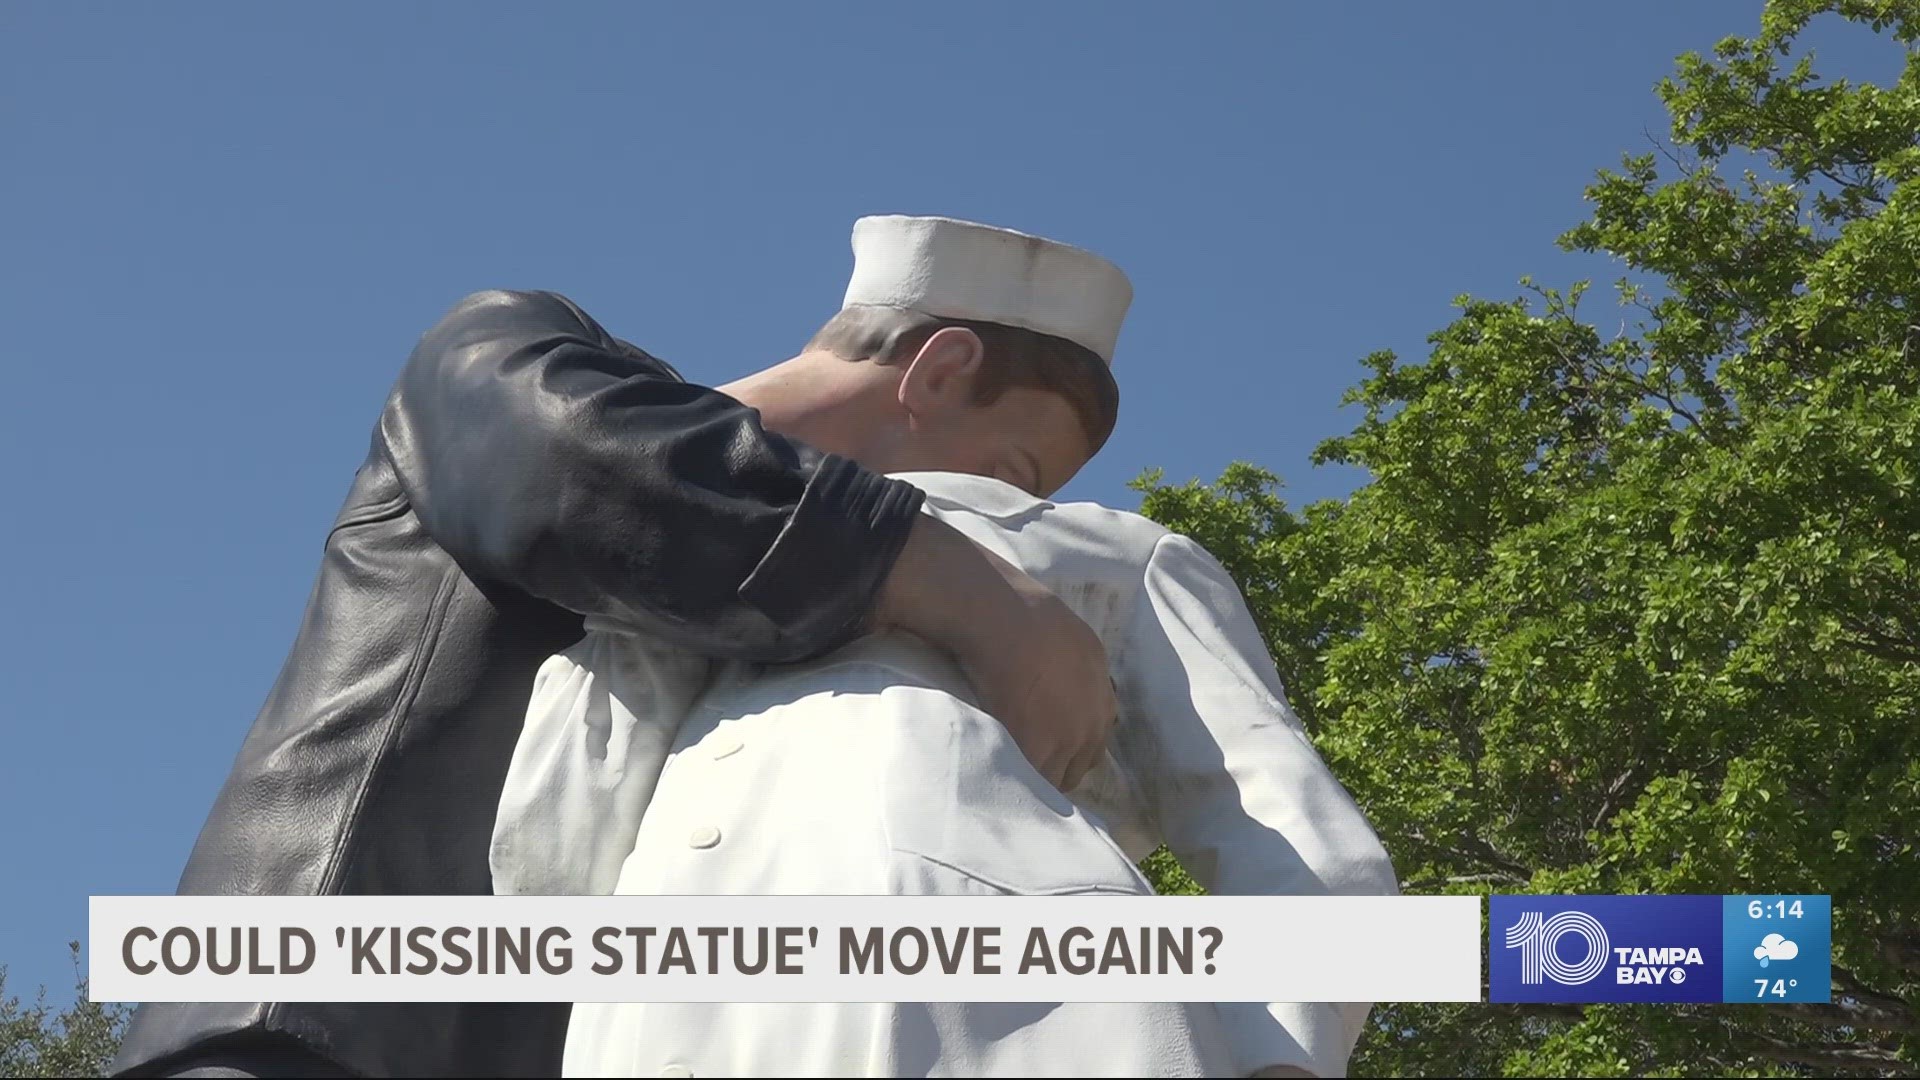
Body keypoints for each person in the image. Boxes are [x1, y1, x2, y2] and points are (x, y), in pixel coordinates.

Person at [112, 215, 1138, 1079]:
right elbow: (572, 468)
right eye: (1015, 468)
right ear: (942, 370)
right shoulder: (510, 347)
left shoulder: (794, 616)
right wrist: (985, 596)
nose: (1004, 513)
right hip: (307, 1021)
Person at [490, 469, 1400, 1079]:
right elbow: (562, 822)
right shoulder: (700, 549)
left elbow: (1284, 829)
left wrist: (1274, 1055)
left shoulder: (1106, 551)